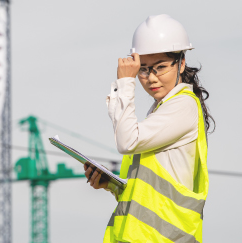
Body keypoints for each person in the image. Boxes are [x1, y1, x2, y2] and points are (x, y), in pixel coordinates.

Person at [84, 14, 215, 243]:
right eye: (143, 70)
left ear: (181, 63)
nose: (151, 78)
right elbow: (150, 195)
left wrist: (126, 83)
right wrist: (113, 185)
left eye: (160, 67)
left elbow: (127, 142)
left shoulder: (183, 105)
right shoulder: (162, 111)